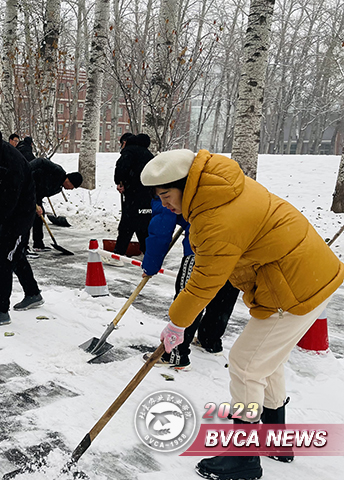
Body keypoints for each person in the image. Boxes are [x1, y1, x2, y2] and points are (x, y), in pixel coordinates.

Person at [140, 149, 344, 480]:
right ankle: (276, 439)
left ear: (186, 184)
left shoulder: (216, 217)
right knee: (265, 362)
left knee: (246, 364)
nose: (166, 205)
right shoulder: (222, 189)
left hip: (293, 288)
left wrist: (177, 323)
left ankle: (243, 457)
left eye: (167, 195)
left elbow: (204, 282)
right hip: (305, 275)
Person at [142, 197, 240, 370]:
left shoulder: (167, 187)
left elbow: (161, 229)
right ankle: (210, 340)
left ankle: (175, 353)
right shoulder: (223, 185)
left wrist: (151, 265)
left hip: (202, 249)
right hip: (237, 251)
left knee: (189, 298)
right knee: (223, 295)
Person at [0, 125, 43, 328]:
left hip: (19, 217)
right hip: (7, 214)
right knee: (16, 255)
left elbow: (8, 204)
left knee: (3, 258)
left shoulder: (12, 162)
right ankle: (33, 293)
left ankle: (0, 311)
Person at [113, 132, 153, 258]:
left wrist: (120, 182)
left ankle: (119, 253)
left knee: (127, 223)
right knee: (143, 223)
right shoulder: (148, 154)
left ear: (124, 142)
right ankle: (147, 251)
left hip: (133, 193)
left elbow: (121, 168)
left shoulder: (129, 151)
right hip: (148, 194)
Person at [29, 157, 82, 252]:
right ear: (69, 180)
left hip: (35, 195)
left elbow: (41, 191)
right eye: (73, 186)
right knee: (27, 217)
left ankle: (38, 244)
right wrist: (27, 170)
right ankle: (22, 248)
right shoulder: (58, 172)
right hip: (27, 187)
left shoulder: (58, 188)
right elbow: (41, 161)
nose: (71, 189)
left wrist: (37, 204)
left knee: (39, 216)